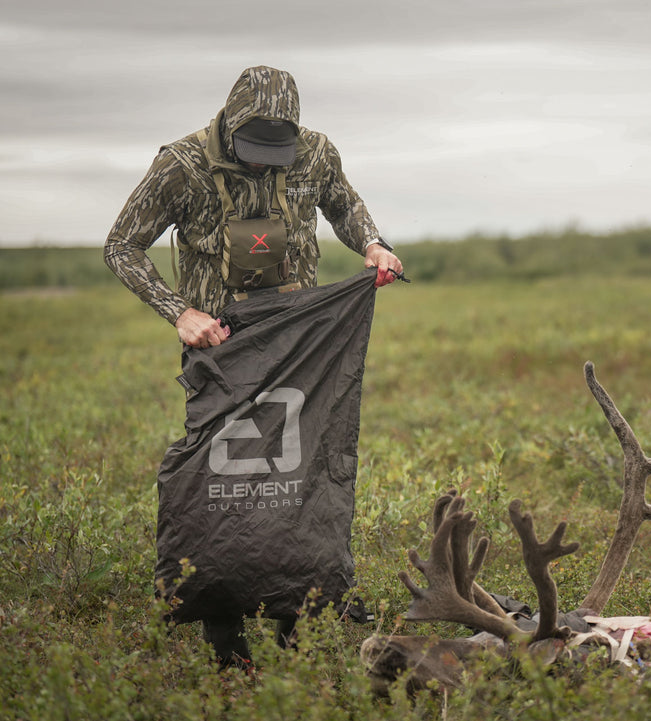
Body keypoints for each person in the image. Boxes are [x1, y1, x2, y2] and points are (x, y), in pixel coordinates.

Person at [104, 65, 404, 668]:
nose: (267, 163)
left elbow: (344, 206)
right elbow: (121, 245)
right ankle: (224, 632)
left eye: (278, 150)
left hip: (300, 339)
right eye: (254, 150)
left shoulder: (316, 153)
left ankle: (295, 616)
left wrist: (372, 243)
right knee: (224, 479)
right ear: (230, 124)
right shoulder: (181, 164)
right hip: (221, 344)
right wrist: (178, 311)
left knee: (295, 472)